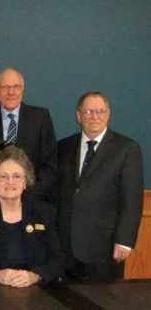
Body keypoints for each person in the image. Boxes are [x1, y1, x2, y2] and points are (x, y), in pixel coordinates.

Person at [57, 92, 143, 280]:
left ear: (108, 114)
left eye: (99, 111)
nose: (94, 116)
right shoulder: (63, 147)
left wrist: (124, 241)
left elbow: (132, 201)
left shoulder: (127, 149)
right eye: (88, 111)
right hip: (66, 247)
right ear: (78, 116)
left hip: (105, 248)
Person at [0, 146, 63, 287]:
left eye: (17, 176)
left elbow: (57, 261)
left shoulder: (43, 213)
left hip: (37, 291)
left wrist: (34, 275)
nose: (10, 182)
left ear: (25, 182)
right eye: (3, 176)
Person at [0, 68, 57, 204]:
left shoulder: (40, 118)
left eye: (16, 87)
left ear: (22, 90)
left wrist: (29, 197)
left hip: (33, 201)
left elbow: (50, 164)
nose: (11, 92)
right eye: (5, 87)